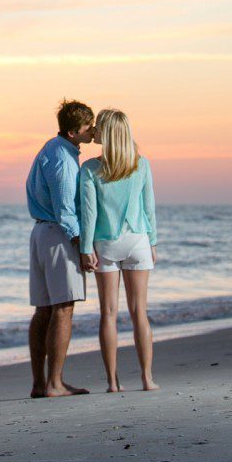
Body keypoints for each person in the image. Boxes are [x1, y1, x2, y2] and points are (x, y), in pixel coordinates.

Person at [79, 108, 159, 393]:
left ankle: (113, 383)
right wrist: (153, 241)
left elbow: (88, 214)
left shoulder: (90, 169)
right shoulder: (142, 164)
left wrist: (85, 248)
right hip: (137, 240)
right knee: (140, 312)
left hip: (105, 244)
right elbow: (149, 208)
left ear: (107, 134)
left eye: (98, 127)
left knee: (109, 313)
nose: (95, 130)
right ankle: (147, 379)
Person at [25, 99, 95, 398]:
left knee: (44, 310)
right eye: (88, 126)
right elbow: (66, 209)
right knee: (63, 308)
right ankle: (54, 383)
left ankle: (42, 384)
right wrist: (82, 245)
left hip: (41, 232)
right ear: (72, 131)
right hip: (57, 234)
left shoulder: (51, 148)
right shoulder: (65, 160)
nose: (93, 130)